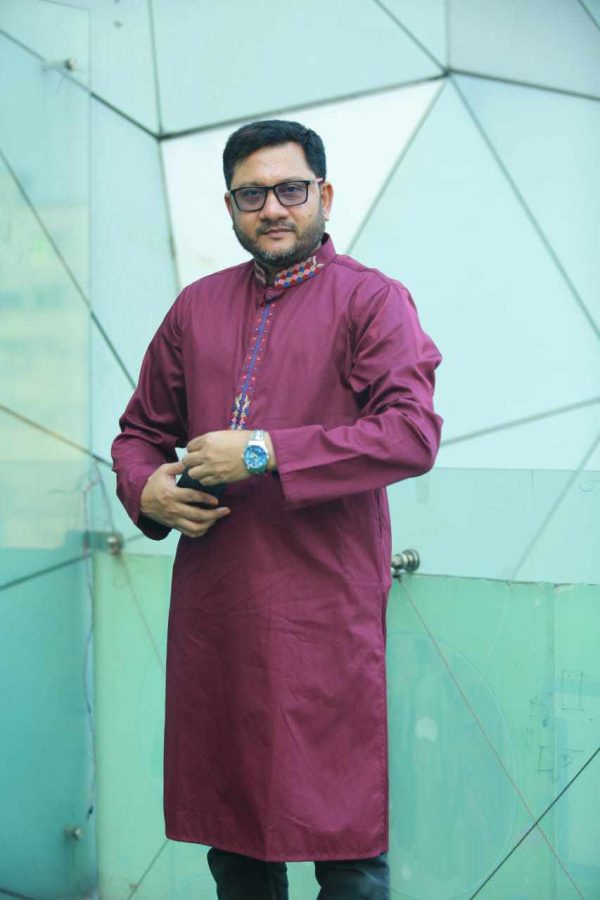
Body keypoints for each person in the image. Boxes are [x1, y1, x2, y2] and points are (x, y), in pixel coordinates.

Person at [111, 119, 442, 899]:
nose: (273, 208)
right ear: (230, 207)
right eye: (251, 195)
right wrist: (147, 489)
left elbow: (410, 433)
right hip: (219, 614)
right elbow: (139, 434)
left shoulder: (371, 300)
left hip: (323, 616)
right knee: (235, 848)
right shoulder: (196, 308)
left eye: (290, 189)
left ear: (324, 195)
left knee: (345, 851)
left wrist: (262, 452)